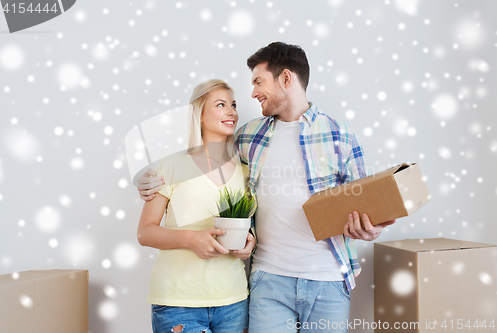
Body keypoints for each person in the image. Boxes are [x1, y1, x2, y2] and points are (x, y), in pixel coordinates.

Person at [138, 42, 395, 332]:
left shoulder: (342, 135)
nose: (253, 93)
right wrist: (145, 179)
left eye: (259, 81)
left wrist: (370, 229)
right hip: (268, 281)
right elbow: (203, 159)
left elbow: (365, 203)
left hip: (328, 277)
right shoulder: (248, 137)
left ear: (286, 78)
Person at [137, 79, 255, 333]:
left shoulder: (246, 172)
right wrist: (191, 239)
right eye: (221, 104)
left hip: (233, 301)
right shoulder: (170, 166)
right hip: (178, 303)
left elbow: (252, 225)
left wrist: (249, 242)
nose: (231, 111)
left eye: (233, 105)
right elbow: (145, 232)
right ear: (199, 115)